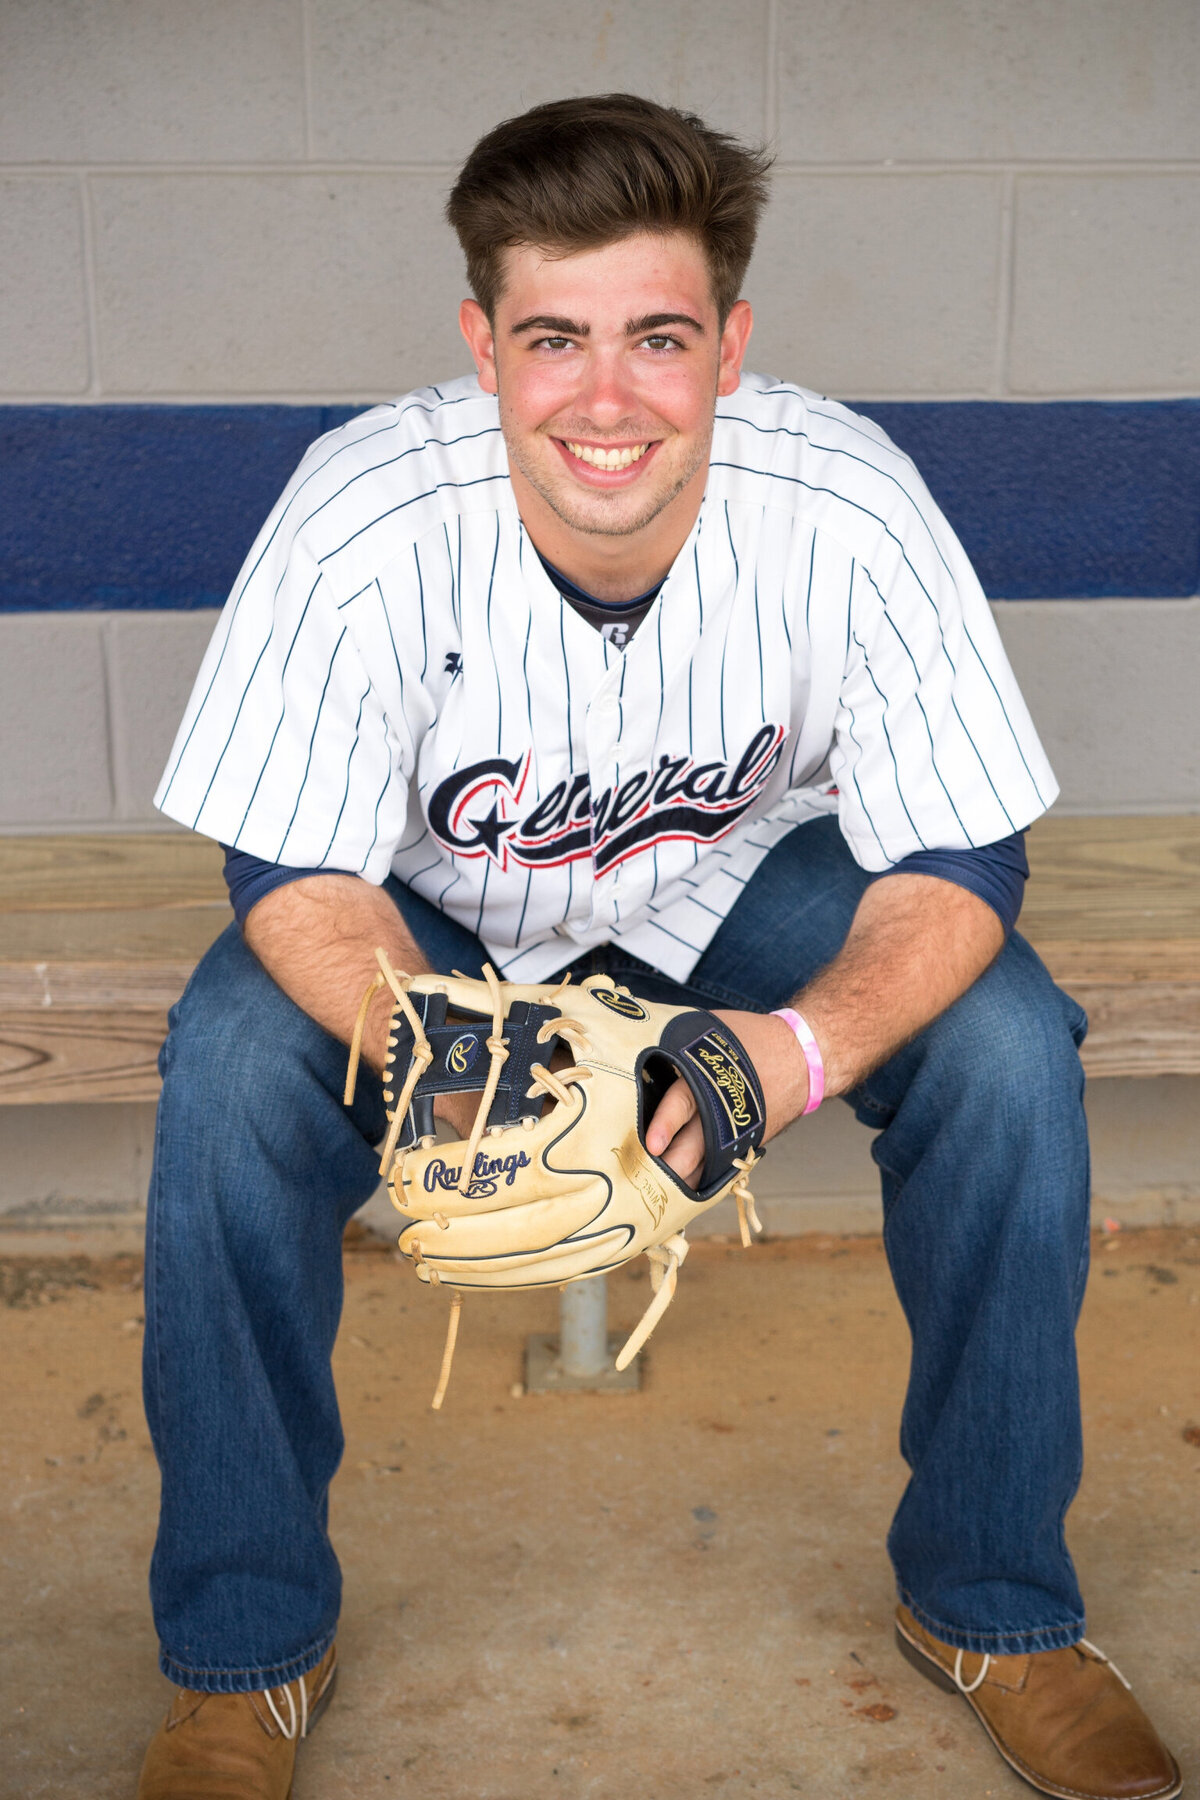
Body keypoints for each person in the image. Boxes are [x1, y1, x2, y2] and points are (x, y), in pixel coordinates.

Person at [136, 94, 1180, 1800]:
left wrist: (798, 1049)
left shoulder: (844, 495)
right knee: (235, 1068)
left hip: (731, 894)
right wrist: (431, 1047)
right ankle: (246, 1654)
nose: (606, 397)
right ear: (483, 344)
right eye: (554, 337)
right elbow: (291, 863)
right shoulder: (360, 512)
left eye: (658, 336)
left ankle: (994, 1604)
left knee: (1001, 1043)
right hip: (440, 919)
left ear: (730, 344)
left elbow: (961, 853)